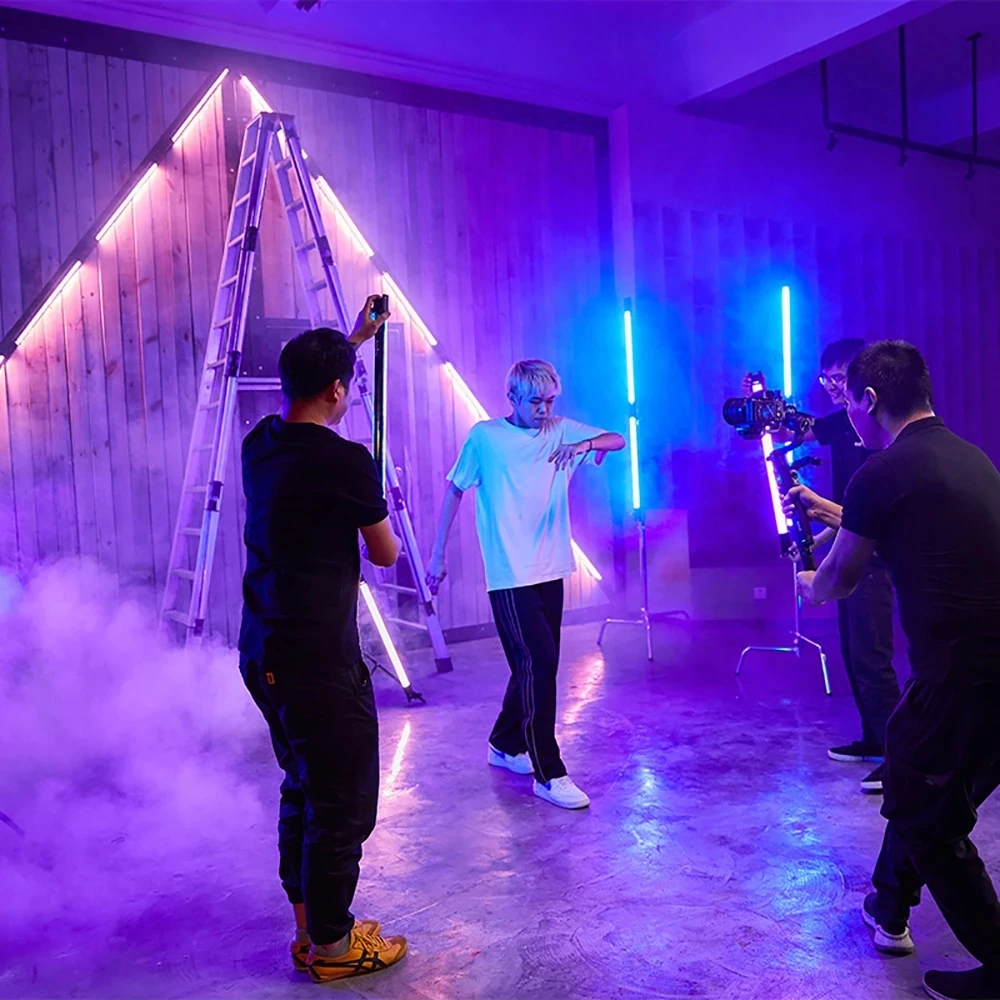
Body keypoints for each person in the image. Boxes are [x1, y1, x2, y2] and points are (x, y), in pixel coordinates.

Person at [788, 340, 1000, 1000]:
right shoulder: (967, 457)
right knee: (921, 791)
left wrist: (810, 584)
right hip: (991, 671)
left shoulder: (881, 470)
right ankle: (887, 908)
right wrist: (826, 509)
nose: (845, 413)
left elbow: (839, 579)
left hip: (960, 677)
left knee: (927, 815)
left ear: (871, 399)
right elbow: (898, 523)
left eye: (848, 400)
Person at [238, 296, 408, 984]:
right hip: (318, 662)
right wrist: (373, 497)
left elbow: (314, 384)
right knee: (342, 802)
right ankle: (336, 949)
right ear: (338, 390)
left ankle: (311, 928)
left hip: (264, 652)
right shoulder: (347, 462)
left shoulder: (259, 443)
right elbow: (386, 554)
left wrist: (354, 341)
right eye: (345, 383)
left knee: (302, 787)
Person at [425, 360, 625, 810]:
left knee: (534, 666)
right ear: (513, 397)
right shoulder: (485, 438)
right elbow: (455, 490)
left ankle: (503, 742)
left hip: (550, 569)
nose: (544, 410)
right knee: (539, 662)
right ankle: (548, 772)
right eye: (536, 401)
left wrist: (586, 445)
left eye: (550, 401)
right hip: (510, 574)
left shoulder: (559, 430)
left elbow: (617, 439)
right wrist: (437, 555)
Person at [744, 338, 900, 794]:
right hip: (851, 544)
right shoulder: (843, 421)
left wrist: (824, 528)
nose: (833, 387)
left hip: (875, 555)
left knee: (872, 656)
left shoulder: (879, 428)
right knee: (853, 651)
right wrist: (761, 403)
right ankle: (875, 740)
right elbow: (796, 431)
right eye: (827, 378)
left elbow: (870, 513)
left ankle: (898, 762)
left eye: (840, 378)